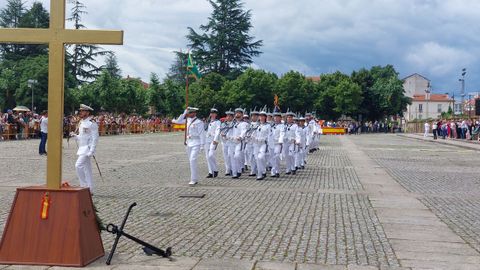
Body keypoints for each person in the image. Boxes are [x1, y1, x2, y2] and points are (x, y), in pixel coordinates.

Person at [70, 104, 99, 193]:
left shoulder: (92, 123)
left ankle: (84, 186)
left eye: (82, 111)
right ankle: (90, 189)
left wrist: (92, 150)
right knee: (87, 170)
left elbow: (95, 138)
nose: (80, 113)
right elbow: (83, 137)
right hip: (82, 148)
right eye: (80, 111)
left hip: (87, 149)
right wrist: (75, 136)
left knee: (78, 165)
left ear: (87, 112)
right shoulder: (81, 122)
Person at [176, 107, 205, 186]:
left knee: (192, 160)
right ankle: (194, 177)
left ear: (195, 113)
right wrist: (184, 113)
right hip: (189, 143)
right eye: (189, 113)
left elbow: (202, 134)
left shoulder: (199, 122)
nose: (190, 114)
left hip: (196, 143)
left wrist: (202, 145)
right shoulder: (187, 120)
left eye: (191, 113)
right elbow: (178, 121)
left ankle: (193, 179)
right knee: (191, 161)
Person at [230, 108, 248, 178]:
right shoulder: (233, 123)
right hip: (232, 142)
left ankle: (239, 169)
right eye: (236, 113)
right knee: (232, 157)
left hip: (239, 142)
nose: (237, 114)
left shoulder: (244, 123)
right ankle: (235, 173)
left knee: (237, 156)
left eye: (239, 113)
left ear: (242, 115)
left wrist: (240, 137)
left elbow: (244, 131)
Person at [204, 107, 221, 178]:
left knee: (211, 155)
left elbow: (218, 131)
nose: (212, 114)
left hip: (213, 140)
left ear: (216, 114)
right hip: (206, 140)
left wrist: (216, 139)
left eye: (214, 113)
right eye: (211, 113)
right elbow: (204, 130)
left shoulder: (218, 122)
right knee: (207, 157)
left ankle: (215, 169)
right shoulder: (208, 121)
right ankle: (211, 172)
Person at [253, 109, 269, 180]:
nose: (261, 117)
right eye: (260, 116)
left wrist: (264, 139)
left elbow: (269, 135)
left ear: (265, 117)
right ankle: (262, 172)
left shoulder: (268, 126)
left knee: (260, 157)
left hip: (263, 144)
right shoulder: (257, 125)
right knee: (257, 159)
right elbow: (252, 133)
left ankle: (261, 173)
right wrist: (253, 137)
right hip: (256, 144)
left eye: (263, 116)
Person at [270, 110, 285, 178]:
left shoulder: (282, 126)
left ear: (280, 118)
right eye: (275, 117)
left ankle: (276, 171)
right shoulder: (271, 125)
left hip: (278, 143)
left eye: (277, 117)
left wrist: (280, 141)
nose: (275, 118)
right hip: (271, 143)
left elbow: (282, 133)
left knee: (276, 157)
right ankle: (274, 171)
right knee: (272, 158)